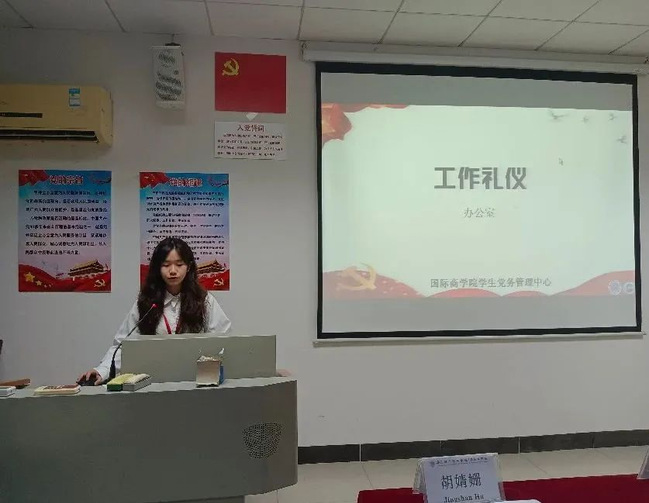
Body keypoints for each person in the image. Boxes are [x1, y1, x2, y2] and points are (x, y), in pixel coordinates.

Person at [77, 237, 231, 385]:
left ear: (189, 267)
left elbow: (222, 341)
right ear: (158, 268)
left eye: (179, 264)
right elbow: (123, 345)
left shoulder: (204, 301)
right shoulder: (146, 302)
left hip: (195, 380)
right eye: (166, 265)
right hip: (154, 382)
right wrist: (102, 370)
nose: (173, 271)